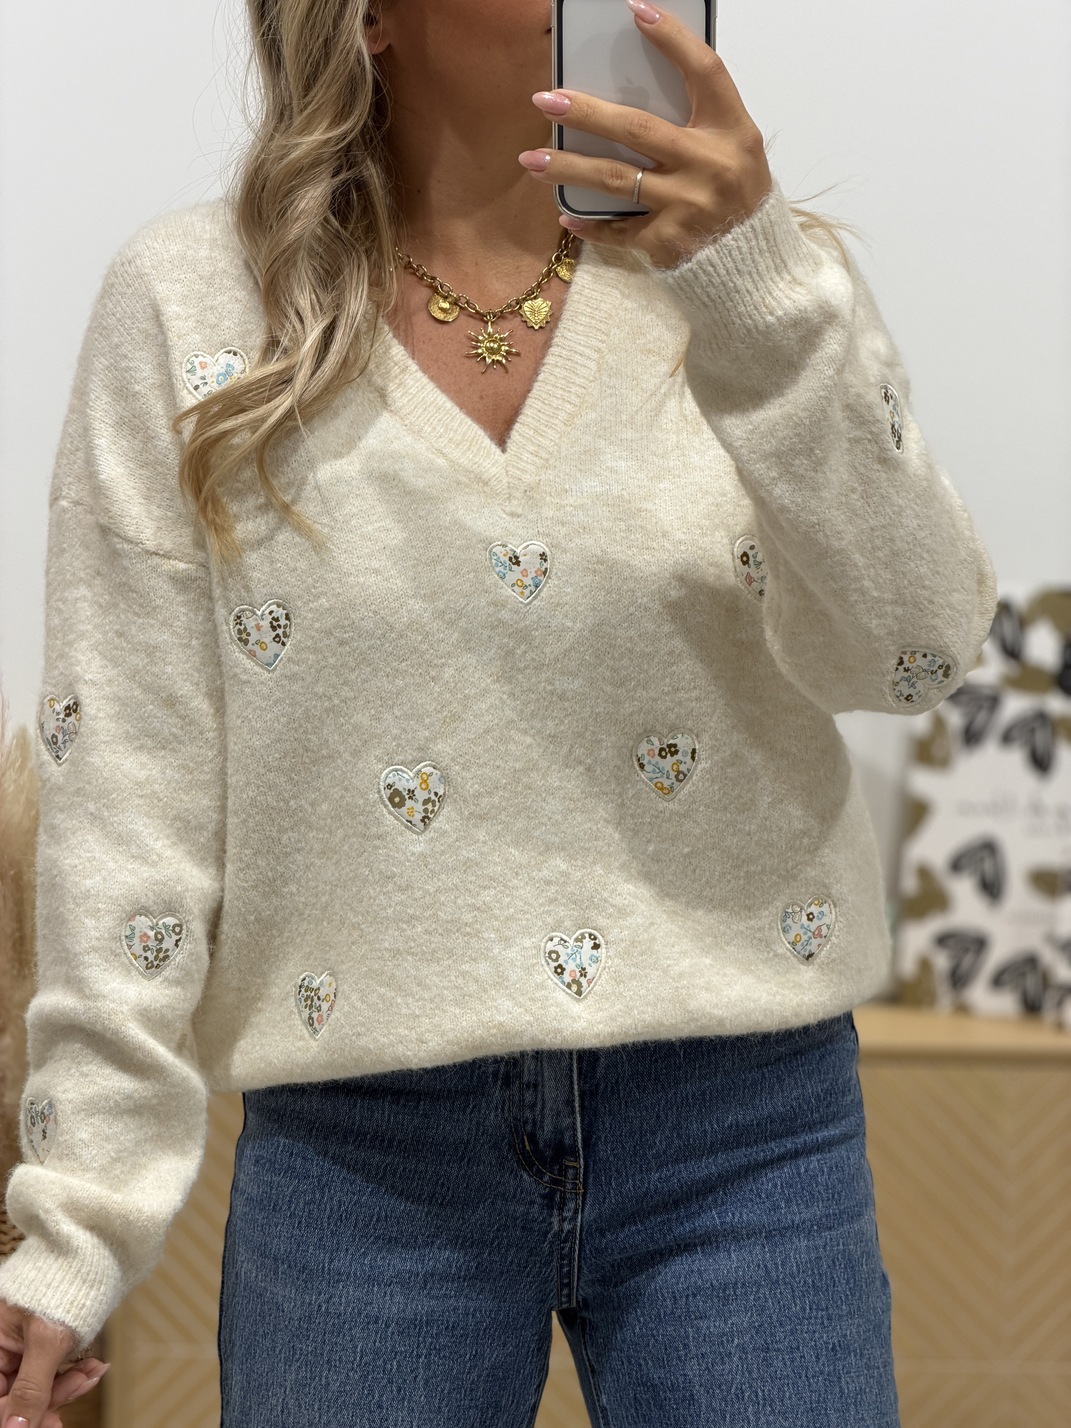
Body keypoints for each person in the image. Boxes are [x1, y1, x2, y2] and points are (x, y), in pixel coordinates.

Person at [0, 0, 998, 1424]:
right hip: (363, 1148)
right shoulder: (195, 306)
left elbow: (915, 656)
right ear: (370, 18)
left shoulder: (755, 278)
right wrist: (77, 1221)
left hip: (745, 1129)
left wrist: (759, 294)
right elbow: (131, 792)